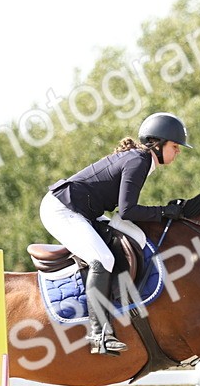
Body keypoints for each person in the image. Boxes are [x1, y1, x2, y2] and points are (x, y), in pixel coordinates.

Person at [41, 112, 191, 355]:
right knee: (103, 259)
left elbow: (123, 213)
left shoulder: (142, 159)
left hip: (83, 210)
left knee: (117, 243)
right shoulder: (140, 161)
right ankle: (99, 335)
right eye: (175, 146)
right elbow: (128, 210)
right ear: (158, 143)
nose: (178, 151)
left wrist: (163, 212)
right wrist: (164, 211)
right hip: (61, 209)